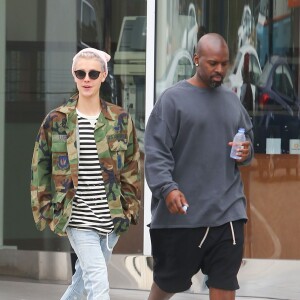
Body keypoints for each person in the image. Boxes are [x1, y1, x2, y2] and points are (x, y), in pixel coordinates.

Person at [144, 33, 254, 300]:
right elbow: (156, 152)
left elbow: (247, 144)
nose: (219, 70)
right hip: (183, 215)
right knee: (168, 284)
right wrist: (168, 189)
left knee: (225, 283)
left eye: (224, 64)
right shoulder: (172, 101)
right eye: (213, 63)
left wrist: (245, 152)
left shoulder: (232, 102)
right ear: (196, 59)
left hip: (228, 211)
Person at [30, 47, 141, 300]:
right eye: (81, 73)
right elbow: (40, 167)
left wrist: (129, 208)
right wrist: (46, 208)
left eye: (93, 73)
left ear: (103, 75)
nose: (87, 78)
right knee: (98, 284)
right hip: (77, 217)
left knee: (82, 281)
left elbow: (132, 167)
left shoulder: (119, 118)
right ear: (74, 75)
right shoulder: (57, 120)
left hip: (111, 219)